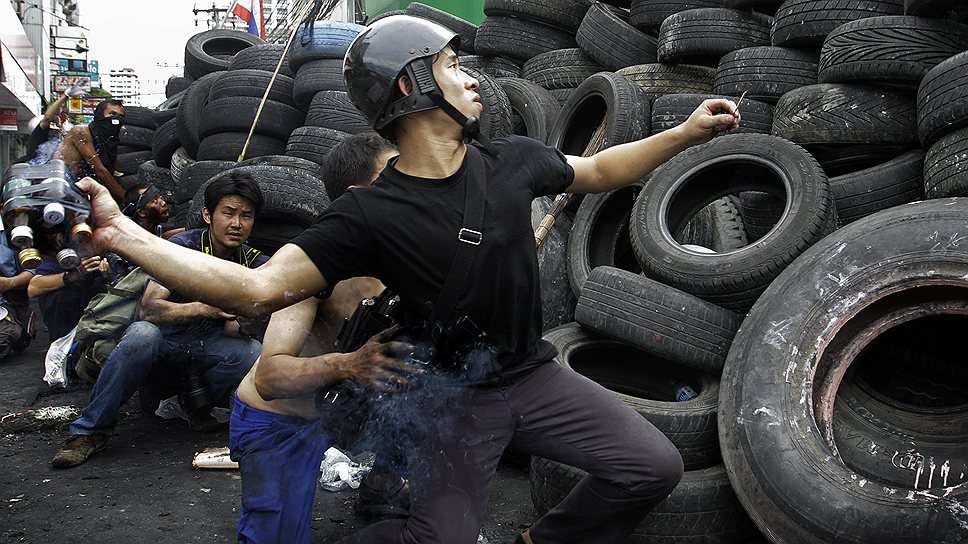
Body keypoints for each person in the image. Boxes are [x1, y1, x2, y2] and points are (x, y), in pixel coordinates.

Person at [75, 15, 740, 543]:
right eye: (453, 65)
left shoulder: (510, 160)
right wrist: (124, 236)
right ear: (410, 85)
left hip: (536, 377)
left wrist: (682, 134)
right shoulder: (367, 212)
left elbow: (598, 172)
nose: (472, 77)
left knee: (652, 467)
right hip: (457, 402)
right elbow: (254, 289)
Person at [228, 134, 398, 543]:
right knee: (277, 535)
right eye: (398, 175)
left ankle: (383, 488)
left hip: (342, 410)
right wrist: (351, 364)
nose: (418, 184)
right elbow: (270, 378)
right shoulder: (310, 264)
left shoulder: (405, 255)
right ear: (360, 196)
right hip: (279, 421)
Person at [51, 172, 268, 468]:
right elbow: (150, 310)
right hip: (163, 342)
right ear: (207, 214)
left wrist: (250, 320)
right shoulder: (182, 247)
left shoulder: (253, 262)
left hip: (202, 347)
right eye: (228, 213)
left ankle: (187, 402)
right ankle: (89, 432)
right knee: (143, 334)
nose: (237, 224)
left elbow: (234, 328)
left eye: (246, 216)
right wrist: (206, 307)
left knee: (251, 351)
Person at [56, 99, 125, 201]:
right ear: (99, 115)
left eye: (120, 116)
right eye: (112, 114)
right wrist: (125, 197)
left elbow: (114, 174)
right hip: (63, 187)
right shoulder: (81, 131)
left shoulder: (110, 141)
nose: (116, 119)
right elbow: (98, 169)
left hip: (84, 190)